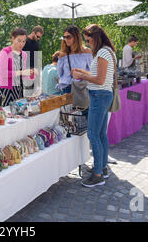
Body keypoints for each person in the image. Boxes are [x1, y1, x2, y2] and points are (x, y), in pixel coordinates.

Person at [71, 24, 116, 188]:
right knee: (101, 134)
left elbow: (100, 80)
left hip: (99, 96)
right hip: (102, 95)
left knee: (93, 134)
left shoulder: (103, 52)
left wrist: (82, 75)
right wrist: (83, 73)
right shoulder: (107, 51)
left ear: (95, 37)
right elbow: (99, 77)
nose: (87, 42)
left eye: (88, 39)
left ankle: (98, 174)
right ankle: (102, 168)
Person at [0, 28, 36, 107]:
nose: (21, 44)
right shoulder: (4, 52)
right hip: (6, 90)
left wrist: (31, 73)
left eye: (24, 41)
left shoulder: (24, 54)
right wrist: (22, 72)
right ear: (13, 38)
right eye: (19, 41)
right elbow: (3, 74)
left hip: (18, 89)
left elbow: (23, 76)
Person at [54, 26, 92, 94]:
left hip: (83, 88)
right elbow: (60, 74)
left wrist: (81, 74)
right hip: (67, 89)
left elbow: (92, 72)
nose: (66, 39)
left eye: (68, 37)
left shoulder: (87, 52)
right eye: (64, 37)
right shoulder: (63, 54)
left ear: (76, 37)